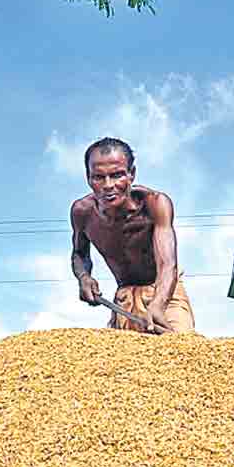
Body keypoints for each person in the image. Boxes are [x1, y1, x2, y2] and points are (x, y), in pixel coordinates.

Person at [70, 137, 195, 334]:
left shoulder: (154, 204)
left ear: (131, 174)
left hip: (164, 292)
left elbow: (167, 264)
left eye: (117, 175)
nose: (108, 185)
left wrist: (159, 303)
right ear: (88, 178)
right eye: (99, 177)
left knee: (181, 352)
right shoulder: (82, 212)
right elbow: (79, 253)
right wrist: (84, 277)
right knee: (125, 362)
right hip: (124, 298)